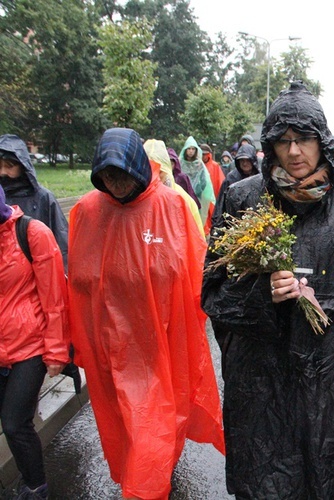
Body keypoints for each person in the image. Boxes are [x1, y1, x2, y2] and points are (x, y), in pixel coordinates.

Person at [202, 82, 334, 498]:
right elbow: (212, 295)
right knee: (266, 480)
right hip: (260, 380)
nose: (293, 152)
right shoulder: (241, 199)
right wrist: (259, 296)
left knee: (323, 478)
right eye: (283, 141)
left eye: (303, 139)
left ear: (321, 143)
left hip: (328, 380)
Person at [68, 128, 224, 500]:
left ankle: (147, 489)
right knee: (125, 429)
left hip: (159, 347)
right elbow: (77, 283)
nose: (115, 183)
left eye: (121, 173)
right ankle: (143, 484)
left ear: (138, 167)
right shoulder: (87, 211)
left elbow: (198, 274)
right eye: (106, 175)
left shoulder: (170, 207)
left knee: (151, 428)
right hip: (110, 347)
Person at [0, 184, 69, 500]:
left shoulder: (32, 233)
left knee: (15, 423)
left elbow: (54, 297)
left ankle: (35, 487)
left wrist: (56, 350)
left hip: (29, 345)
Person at [0, 135, 68, 268]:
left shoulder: (43, 198)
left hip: (36, 275)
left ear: (22, 165)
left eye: (10, 166)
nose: (3, 172)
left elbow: (61, 241)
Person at [144, 139, 203, 232]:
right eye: (150, 172)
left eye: (159, 172)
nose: (154, 177)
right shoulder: (131, 197)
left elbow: (196, 237)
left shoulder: (181, 198)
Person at [211, 143, 259, 230]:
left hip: (257, 224)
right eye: (242, 160)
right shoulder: (231, 178)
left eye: (247, 160)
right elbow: (220, 205)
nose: (244, 163)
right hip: (233, 224)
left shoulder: (260, 178)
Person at [179, 137, 215, 232]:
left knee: (195, 221)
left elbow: (204, 180)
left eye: (193, 149)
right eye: (189, 149)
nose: (191, 151)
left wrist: (198, 190)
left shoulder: (199, 164)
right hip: (182, 196)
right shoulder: (180, 163)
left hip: (196, 198)